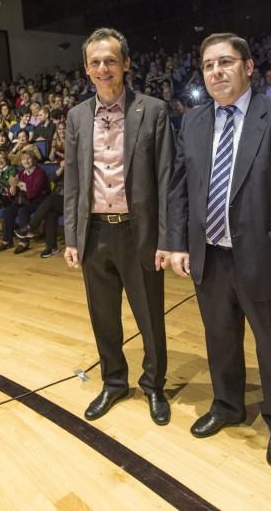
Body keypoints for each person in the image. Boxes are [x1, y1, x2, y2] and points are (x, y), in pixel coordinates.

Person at [166, 32, 271, 469]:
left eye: (226, 62)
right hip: (209, 255)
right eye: (209, 65)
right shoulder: (192, 121)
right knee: (220, 339)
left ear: (248, 67)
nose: (217, 71)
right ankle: (228, 405)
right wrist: (177, 243)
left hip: (266, 259)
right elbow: (181, 187)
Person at [63, 27, 175, 427]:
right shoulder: (76, 116)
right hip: (94, 233)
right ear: (86, 69)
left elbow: (166, 179)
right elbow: (73, 182)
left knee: (149, 316)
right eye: (95, 62)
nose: (103, 68)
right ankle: (113, 381)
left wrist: (167, 238)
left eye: (110, 60)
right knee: (103, 315)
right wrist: (72, 237)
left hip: (138, 232)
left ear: (126, 64)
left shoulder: (154, 110)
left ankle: (154, 384)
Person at [0, 150, 49, 254]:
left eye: (28, 158)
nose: (26, 161)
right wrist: (12, 189)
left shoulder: (40, 173)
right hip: (24, 201)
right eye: (23, 159)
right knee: (8, 210)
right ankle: (7, 240)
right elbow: (14, 192)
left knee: (23, 210)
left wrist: (19, 184)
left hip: (38, 201)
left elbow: (34, 192)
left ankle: (24, 242)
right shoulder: (21, 173)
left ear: (34, 160)